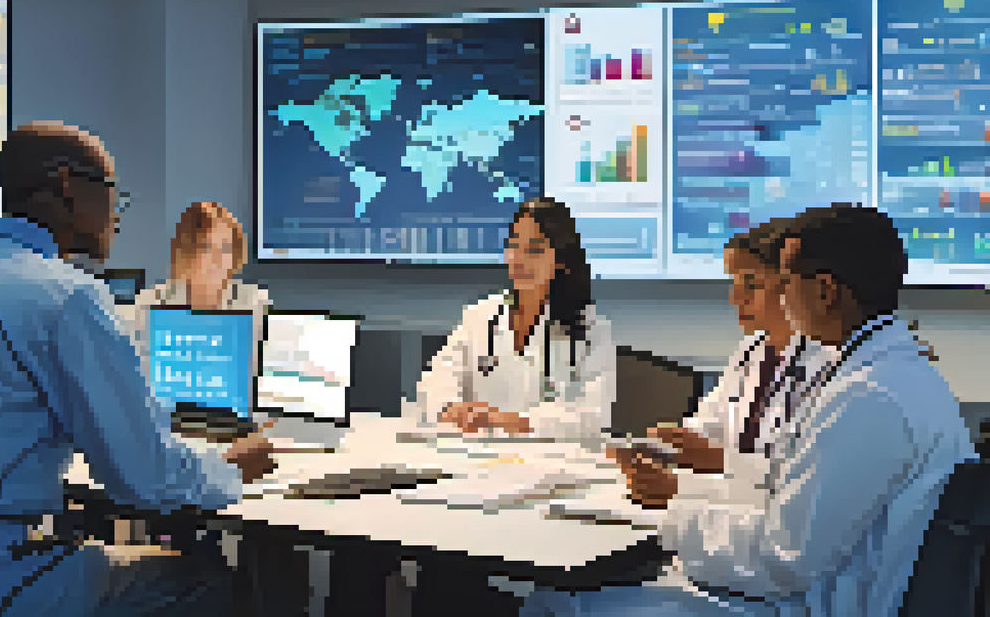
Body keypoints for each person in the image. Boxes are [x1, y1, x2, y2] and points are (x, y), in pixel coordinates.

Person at [0, 121, 276, 617]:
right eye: (113, 196)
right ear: (67, 187)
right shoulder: (66, 295)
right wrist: (230, 468)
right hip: (3, 580)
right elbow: (145, 478)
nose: (117, 216)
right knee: (216, 584)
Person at [522, 204, 975, 617]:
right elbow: (783, 491)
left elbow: (783, 558)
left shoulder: (869, 395)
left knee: (557, 602)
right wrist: (684, 501)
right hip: (819, 581)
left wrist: (673, 516)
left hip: (814, 601)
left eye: (785, 281)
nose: (780, 294)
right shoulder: (876, 372)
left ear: (826, 292)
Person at [413, 196, 615, 438]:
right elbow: (435, 381)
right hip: (478, 459)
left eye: (534, 249)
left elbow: (592, 416)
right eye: (514, 246)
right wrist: (451, 408)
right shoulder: (480, 316)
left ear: (561, 259)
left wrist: (511, 421)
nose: (519, 259)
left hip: (554, 464)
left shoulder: (590, 329)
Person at [651, 218, 806, 476]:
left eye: (751, 285)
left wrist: (722, 461)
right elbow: (708, 424)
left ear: (791, 286)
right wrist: (665, 446)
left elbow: (801, 471)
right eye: (734, 283)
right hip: (728, 500)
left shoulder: (826, 364)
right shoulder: (750, 352)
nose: (735, 299)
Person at [128, 202, 271, 380]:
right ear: (186, 250)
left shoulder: (255, 302)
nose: (218, 259)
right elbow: (140, 375)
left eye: (226, 248)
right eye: (206, 247)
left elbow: (262, 375)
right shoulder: (151, 303)